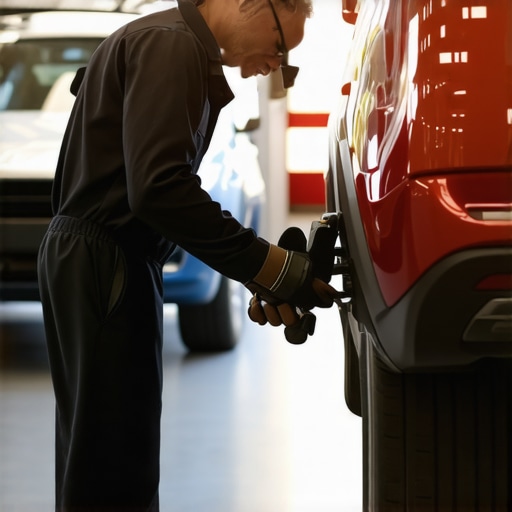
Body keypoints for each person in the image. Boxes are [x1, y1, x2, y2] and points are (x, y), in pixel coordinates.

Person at [37, 0, 335, 510]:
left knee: (101, 453)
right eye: (281, 48)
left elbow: (157, 193)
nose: (272, 67)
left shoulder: (169, 41)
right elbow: (159, 190)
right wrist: (270, 267)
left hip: (102, 259)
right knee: (113, 465)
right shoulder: (173, 44)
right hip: (107, 261)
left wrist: (259, 275)